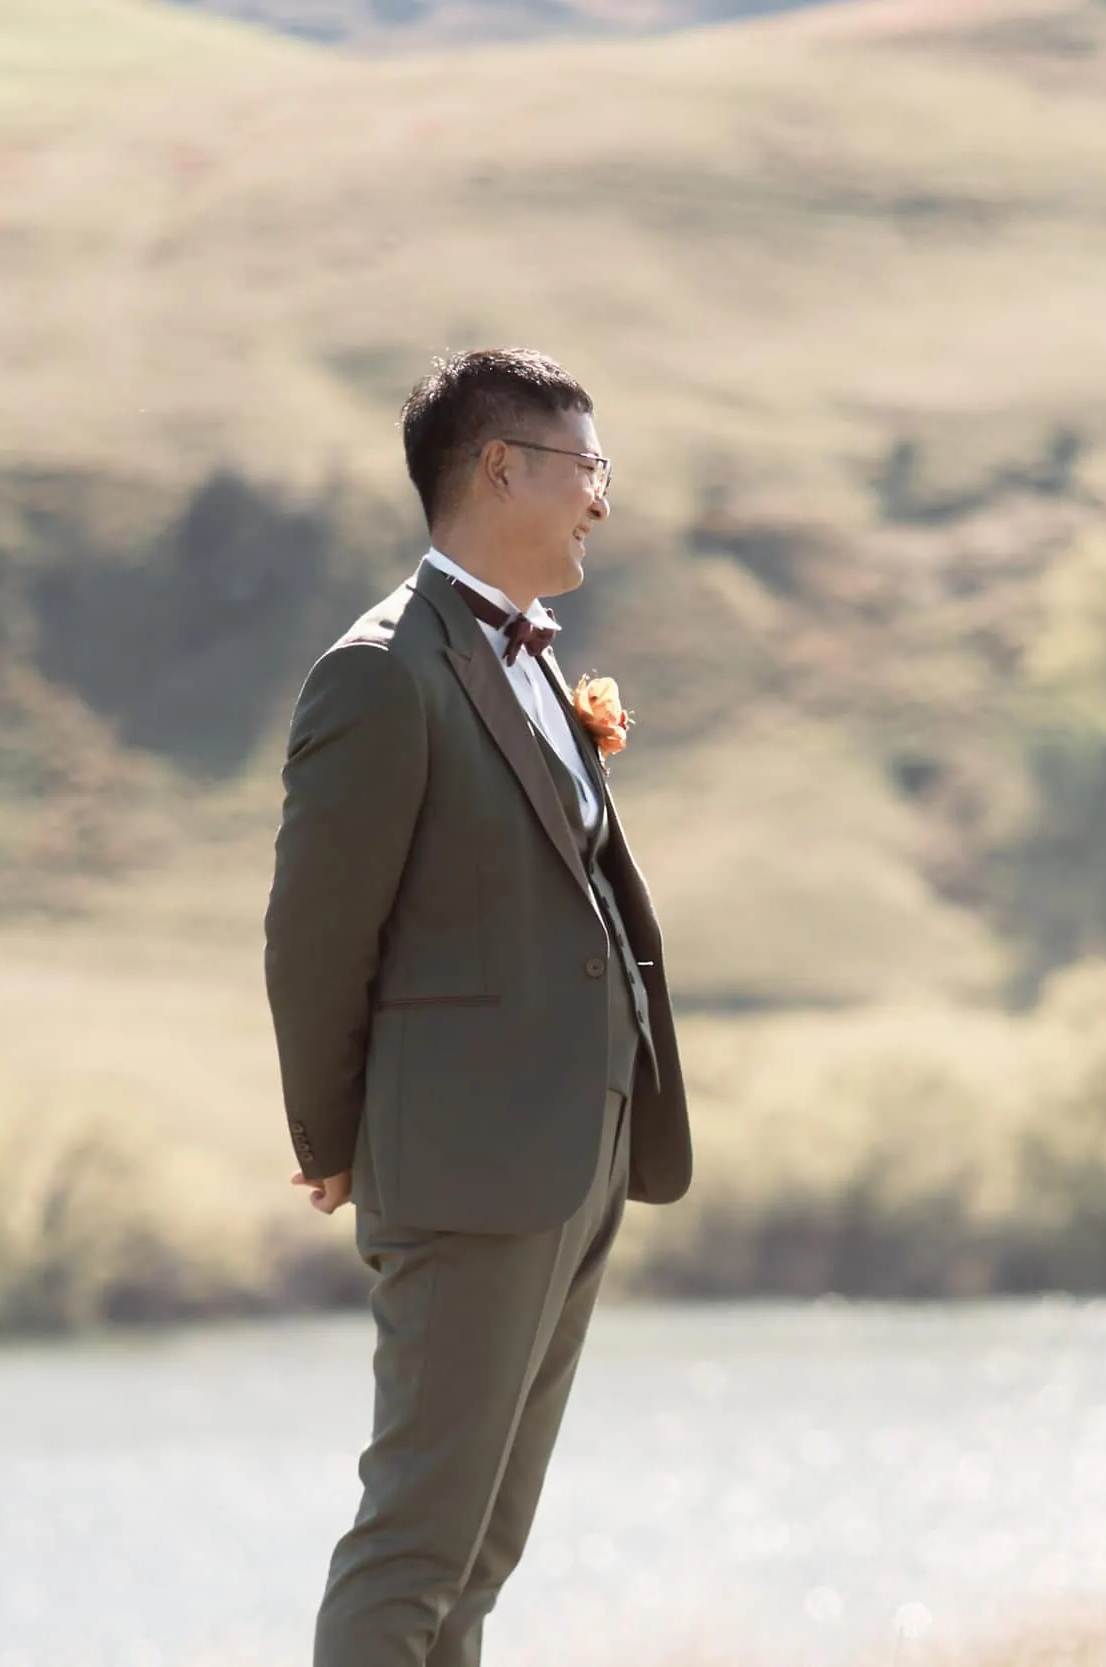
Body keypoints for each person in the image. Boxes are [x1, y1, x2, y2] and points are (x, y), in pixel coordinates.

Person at [263, 347, 690, 1667]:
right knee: (412, 1549)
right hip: (465, 1167)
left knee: (479, 1555)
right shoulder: (383, 674)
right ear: (500, 468)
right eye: (587, 468)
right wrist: (336, 1137)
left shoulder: (527, 661)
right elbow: (314, 936)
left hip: (574, 1155)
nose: (601, 502)